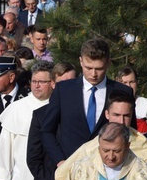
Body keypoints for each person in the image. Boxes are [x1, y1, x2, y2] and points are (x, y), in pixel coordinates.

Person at [41, 37, 133, 170]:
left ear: (108, 63)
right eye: (88, 68)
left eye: (99, 69)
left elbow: (130, 132)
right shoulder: (64, 90)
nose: (93, 74)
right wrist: (60, 161)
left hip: (110, 170)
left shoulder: (122, 91)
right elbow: (47, 130)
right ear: (80, 61)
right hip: (70, 167)